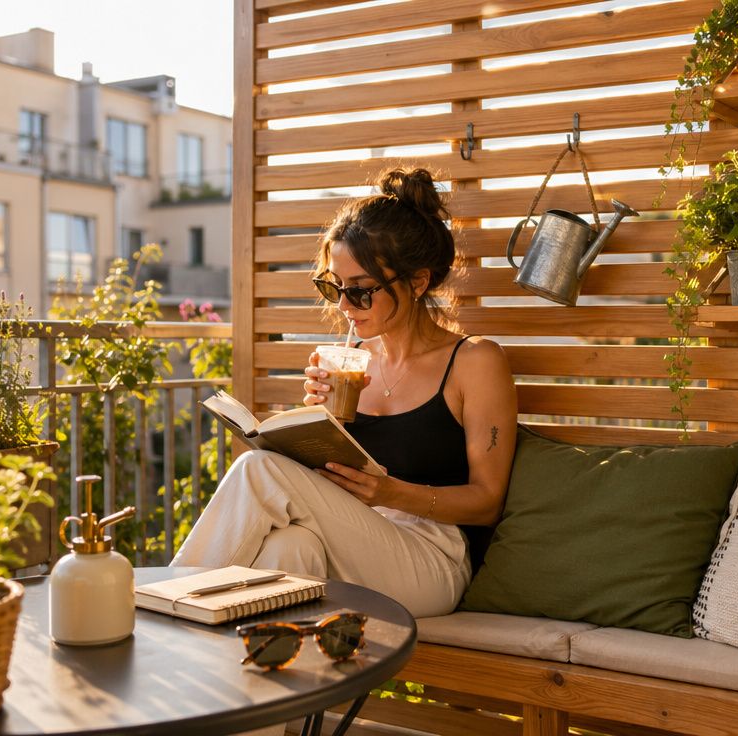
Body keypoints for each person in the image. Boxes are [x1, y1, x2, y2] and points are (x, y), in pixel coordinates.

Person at [173, 168, 518, 618]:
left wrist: (389, 492)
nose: (341, 306)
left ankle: (169, 600)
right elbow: (322, 486)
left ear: (416, 282)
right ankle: (270, 681)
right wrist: (313, 423)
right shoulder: (351, 359)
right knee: (288, 549)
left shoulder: (474, 361)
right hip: (355, 539)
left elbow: (488, 502)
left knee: (259, 469)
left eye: (359, 291)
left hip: (433, 558)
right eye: (333, 286)